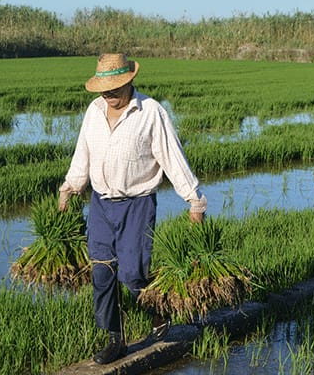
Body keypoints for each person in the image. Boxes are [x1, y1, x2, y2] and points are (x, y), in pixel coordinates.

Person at [58, 53, 207, 365]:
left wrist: (194, 200)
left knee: (132, 273)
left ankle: (157, 308)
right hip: (100, 203)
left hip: (136, 205)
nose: (108, 95)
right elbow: (82, 153)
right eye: (104, 89)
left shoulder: (150, 111)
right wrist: (69, 188)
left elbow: (172, 157)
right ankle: (115, 339)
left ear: (129, 82)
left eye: (114, 88)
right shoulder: (94, 111)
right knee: (101, 271)